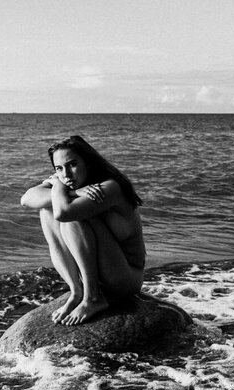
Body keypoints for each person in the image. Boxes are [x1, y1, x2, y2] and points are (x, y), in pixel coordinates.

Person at [20, 135, 145, 325]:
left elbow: (64, 213)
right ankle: (77, 291)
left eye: (72, 165)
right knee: (46, 210)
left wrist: (58, 185)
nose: (66, 174)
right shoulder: (76, 186)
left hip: (124, 278)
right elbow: (26, 198)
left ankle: (93, 298)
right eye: (59, 168)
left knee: (70, 215)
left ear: (88, 162)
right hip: (102, 272)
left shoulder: (109, 187)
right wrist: (72, 191)